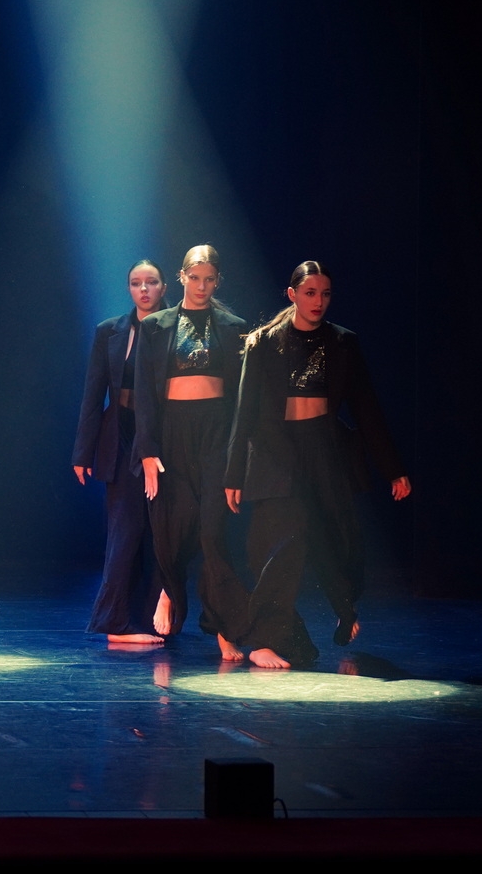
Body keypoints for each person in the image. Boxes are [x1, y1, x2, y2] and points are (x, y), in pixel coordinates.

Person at [224, 261, 411, 668]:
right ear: (292, 295)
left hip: (323, 450)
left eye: (325, 294)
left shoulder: (343, 342)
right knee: (284, 544)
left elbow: (366, 409)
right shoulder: (262, 343)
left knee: (333, 538)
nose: (318, 301)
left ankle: (344, 606)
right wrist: (234, 474)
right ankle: (262, 640)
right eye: (310, 293)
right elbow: (244, 412)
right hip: (276, 453)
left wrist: (392, 468)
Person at [134, 244, 251, 661]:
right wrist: (147, 451)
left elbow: (241, 397)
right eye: (195, 278)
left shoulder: (234, 327)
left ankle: (223, 627)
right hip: (172, 433)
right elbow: (144, 394)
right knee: (174, 526)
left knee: (212, 532)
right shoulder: (156, 326)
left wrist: (239, 455)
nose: (202, 286)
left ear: (217, 282)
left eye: (209, 279)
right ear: (182, 277)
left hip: (216, 433)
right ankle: (170, 589)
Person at [72, 260, 169, 643]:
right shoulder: (110, 331)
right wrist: (83, 452)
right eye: (136, 283)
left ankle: (151, 618)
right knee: (125, 529)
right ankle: (115, 623)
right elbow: (93, 392)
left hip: (163, 438)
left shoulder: (177, 328)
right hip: (121, 434)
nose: (143, 289)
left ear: (164, 287)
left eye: (151, 282)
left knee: (160, 532)